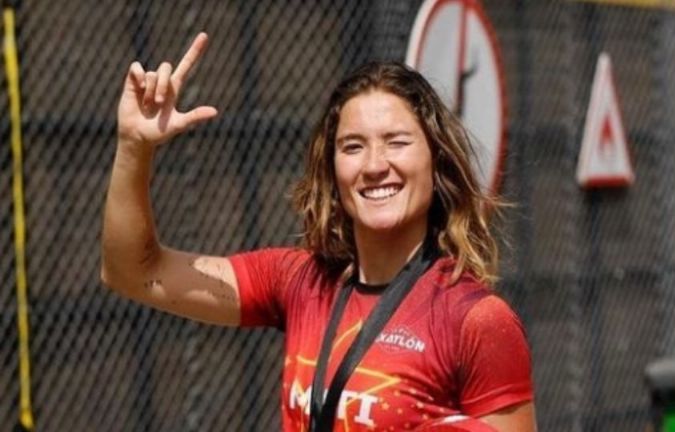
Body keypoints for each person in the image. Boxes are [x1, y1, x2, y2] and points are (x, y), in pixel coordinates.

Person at [102, 32, 536, 431]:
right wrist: (134, 148)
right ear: (332, 168)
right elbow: (134, 272)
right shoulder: (299, 282)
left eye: (397, 142)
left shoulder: (477, 320)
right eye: (353, 146)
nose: (374, 165)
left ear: (435, 161)